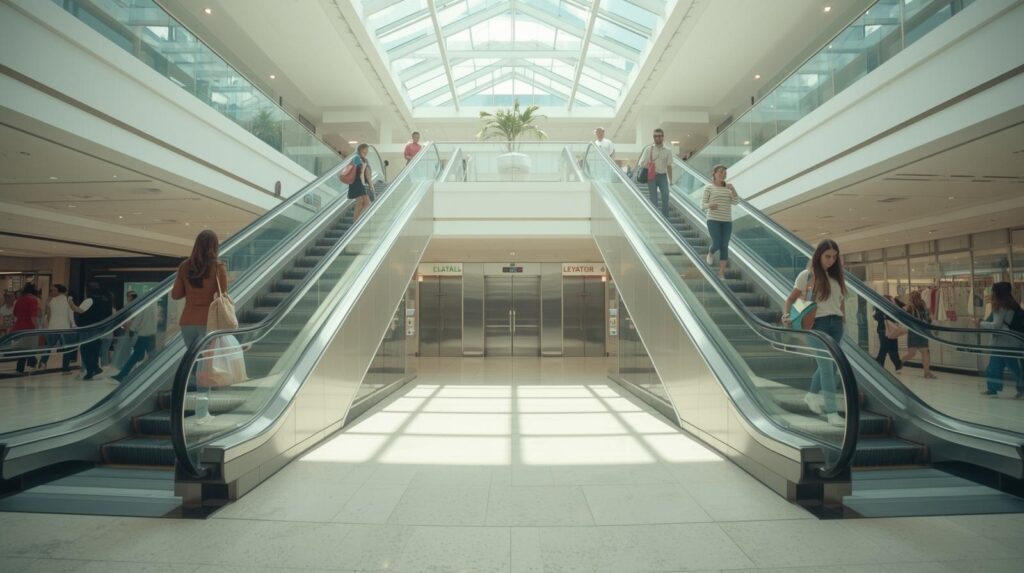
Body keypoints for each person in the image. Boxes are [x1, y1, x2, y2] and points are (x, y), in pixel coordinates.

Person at [782, 239, 847, 426]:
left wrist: (844, 323)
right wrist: (786, 315)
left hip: (836, 324)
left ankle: (811, 395)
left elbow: (840, 303)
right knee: (827, 368)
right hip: (817, 325)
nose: (831, 260)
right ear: (819, 255)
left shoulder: (837, 277)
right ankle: (832, 412)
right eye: (827, 256)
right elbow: (790, 299)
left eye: (835, 257)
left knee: (832, 365)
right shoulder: (807, 276)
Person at [172, 229, 228, 417]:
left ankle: (189, 406)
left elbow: (176, 294)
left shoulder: (184, 266)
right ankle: (201, 412)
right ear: (215, 246)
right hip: (209, 322)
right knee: (206, 366)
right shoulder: (218, 267)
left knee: (196, 364)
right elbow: (222, 295)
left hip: (187, 321)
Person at [975, 282, 1023, 398]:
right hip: (1010, 341)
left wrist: (980, 323)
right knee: (996, 366)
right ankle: (993, 388)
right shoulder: (1013, 305)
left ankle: (1019, 389)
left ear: (997, 293)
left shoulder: (1000, 306)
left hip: (1004, 343)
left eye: (993, 291)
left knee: (1008, 367)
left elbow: (996, 325)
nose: (992, 293)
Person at [700, 164, 739, 278]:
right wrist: (710, 205)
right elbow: (702, 205)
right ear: (714, 174)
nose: (723, 174)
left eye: (725, 172)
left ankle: (721, 273)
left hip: (727, 221)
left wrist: (733, 190)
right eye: (720, 172)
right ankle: (711, 252)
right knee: (717, 242)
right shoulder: (709, 187)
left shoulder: (729, 188)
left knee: (724, 245)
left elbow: (736, 202)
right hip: (713, 220)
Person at [112, 291, 158, 383]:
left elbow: (138, 320)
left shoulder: (142, 306)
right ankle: (156, 373)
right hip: (152, 335)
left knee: (136, 356)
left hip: (143, 335)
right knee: (151, 355)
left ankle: (121, 375)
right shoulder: (153, 305)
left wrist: (132, 330)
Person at [69, 283, 112, 380]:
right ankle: (92, 370)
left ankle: (93, 369)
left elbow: (79, 310)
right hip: (100, 329)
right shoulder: (105, 300)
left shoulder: (89, 300)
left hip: (88, 328)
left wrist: (70, 301)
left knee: (85, 349)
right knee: (95, 351)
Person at [39, 284, 76, 374]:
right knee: (67, 348)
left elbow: (48, 315)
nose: (51, 292)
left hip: (53, 327)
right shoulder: (68, 299)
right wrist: (73, 324)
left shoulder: (50, 300)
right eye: (51, 290)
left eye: (53, 290)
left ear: (59, 291)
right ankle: (65, 368)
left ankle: (43, 363)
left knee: (49, 346)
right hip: (65, 327)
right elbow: (71, 313)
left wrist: (47, 324)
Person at [900, 290, 936, 379]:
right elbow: (929, 320)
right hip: (920, 332)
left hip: (915, 332)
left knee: (915, 353)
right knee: (922, 353)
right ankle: (926, 373)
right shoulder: (920, 308)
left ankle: (899, 363)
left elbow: (902, 317)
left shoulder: (911, 307)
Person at [638, 128, 673, 215]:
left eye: (659, 136)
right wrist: (649, 164)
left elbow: (669, 166)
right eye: (655, 136)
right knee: (653, 199)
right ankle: (656, 218)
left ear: (662, 137)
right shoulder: (648, 149)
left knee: (666, 195)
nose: (657, 138)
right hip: (651, 176)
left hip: (663, 176)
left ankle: (665, 218)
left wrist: (671, 180)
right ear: (653, 137)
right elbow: (641, 163)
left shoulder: (668, 151)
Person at [12, 285, 41, 374]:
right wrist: (37, 328)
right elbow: (33, 316)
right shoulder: (33, 300)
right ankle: (33, 363)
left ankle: (20, 369)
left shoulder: (19, 300)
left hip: (18, 327)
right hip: (29, 328)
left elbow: (15, 313)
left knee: (22, 349)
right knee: (30, 349)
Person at [873, 294, 903, 374]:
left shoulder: (890, 308)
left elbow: (901, 308)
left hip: (890, 330)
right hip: (884, 330)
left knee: (891, 348)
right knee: (886, 347)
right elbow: (876, 317)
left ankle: (896, 364)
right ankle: (895, 364)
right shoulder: (880, 308)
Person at [348, 143, 374, 223]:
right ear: (360, 150)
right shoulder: (356, 158)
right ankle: (357, 223)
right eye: (365, 149)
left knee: (362, 203)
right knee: (366, 203)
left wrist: (370, 184)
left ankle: (355, 223)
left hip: (359, 183)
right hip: (356, 183)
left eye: (367, 150)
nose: (366, 151)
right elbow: (358, 171)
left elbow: (367, 173)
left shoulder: (365, 160)